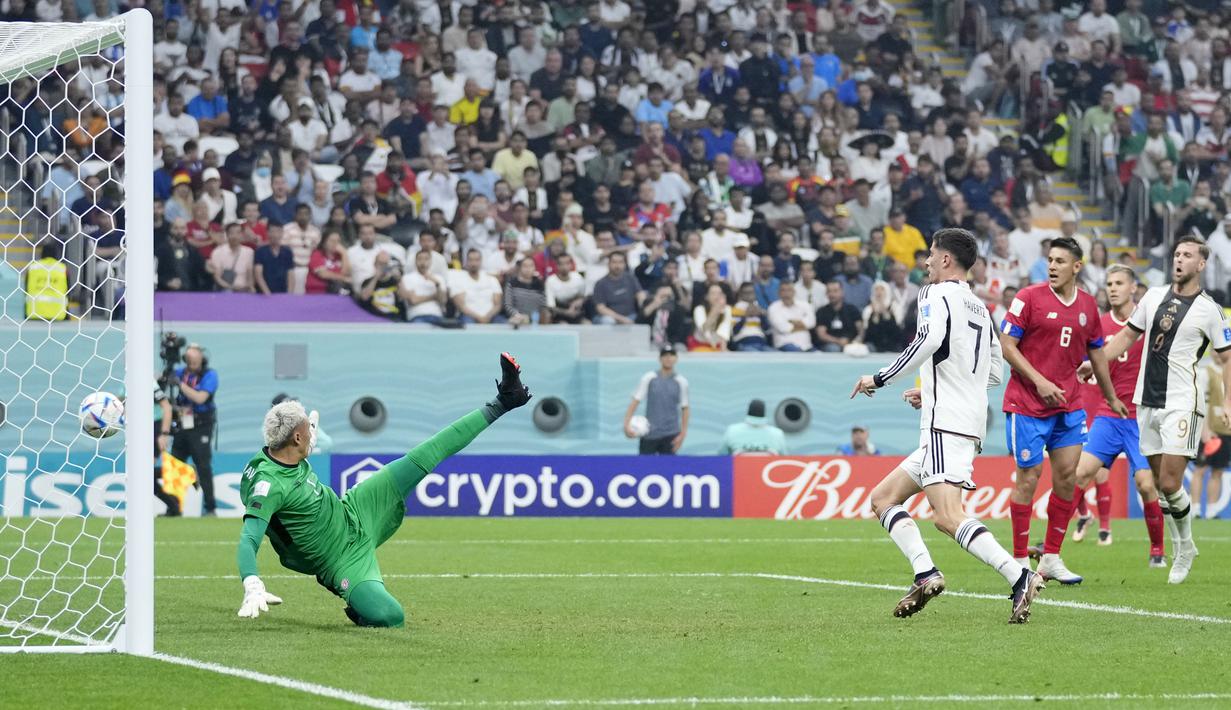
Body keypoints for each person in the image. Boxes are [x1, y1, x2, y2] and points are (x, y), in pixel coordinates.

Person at [236, 354, 531, 625]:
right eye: (308, 431)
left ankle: (503, 401)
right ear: (297, 438)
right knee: (391, 617)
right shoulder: (268, 485)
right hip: (340, 559)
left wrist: (306, 428)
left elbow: (293, 453)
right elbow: (249, 538)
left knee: (426, 453)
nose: (314, 435)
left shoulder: (282, 451)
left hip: (354, 509)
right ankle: (360, 605)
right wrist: (252, 583)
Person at [853, 228, 1044, 624]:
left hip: (945, 423)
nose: (925, 263)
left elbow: (927, 339)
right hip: (966, 419)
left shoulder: (934, 294)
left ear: (944, 260)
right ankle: (925, 572)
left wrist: (881, 377)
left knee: (946, 515)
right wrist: (938, 388)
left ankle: (1019, 575)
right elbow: (993, 372)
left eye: (930, 255)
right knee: (883, 499)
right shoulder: (979, 307)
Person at [1103, 236, 1231, 584]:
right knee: (1161, 486)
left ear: (1201, 265)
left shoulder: (1210, 310)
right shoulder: (1153, 295)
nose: (1179, 259)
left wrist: (1229, 401)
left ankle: (1184, 547)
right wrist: (1097, 361)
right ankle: (1181, 545)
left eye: (1187, 255)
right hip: (1147, 401)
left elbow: (1226, 357)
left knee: (1171, 481)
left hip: (1182, 402)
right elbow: (1127, 336)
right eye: (1176, 253)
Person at [999, 236, 1126, 585]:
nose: (1052, 266)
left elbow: (1098, 352)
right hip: (1026, 403)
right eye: (1049, 259)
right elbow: (1007, 345)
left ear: (1077, 266)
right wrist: (1039, 381)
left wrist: (1110, 395)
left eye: (1059, 261)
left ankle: (1052, 557)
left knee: (1068, 478)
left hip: (1068, 405)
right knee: (1028, 477)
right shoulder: (1028, 298)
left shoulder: (1087, 306)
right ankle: (1020, 561)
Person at [1068, 265, 1166, 565]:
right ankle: (1051, 546)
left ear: (1133, 287)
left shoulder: (1149, 324)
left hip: (1141, 417)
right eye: (1109, 283)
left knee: (1146, 484)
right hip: (1108, 415)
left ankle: (1157, 550)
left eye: (1119, 283)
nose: (1112, 288)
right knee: (1078, 474)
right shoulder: (1098, 325)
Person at [172, 344, 219, 516]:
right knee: (175, 464)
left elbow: (200, 398)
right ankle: (173, 507)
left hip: (201, 425)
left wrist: (180, 385)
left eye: (195, 360)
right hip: (181, 423)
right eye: (189, 360)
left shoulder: (210, 375)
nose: (192, 363)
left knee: (204, 466)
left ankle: (210, 508)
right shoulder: (179, 373)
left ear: (202, 359)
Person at [623, 346, 689, 455]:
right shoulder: (649, 378)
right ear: (660, 359)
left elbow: (685, 408)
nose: (668, 358)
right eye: (665, 356)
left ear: (676, 359)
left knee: (668, 470)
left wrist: (683, 434)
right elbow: (635, 401)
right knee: (644, 469)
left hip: (670, 434)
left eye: (671, 355)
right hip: (650, 433)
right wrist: (626, 425)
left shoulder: (681, 382)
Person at [720, 399, 787, 455]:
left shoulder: (732, 431)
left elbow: (721, 458)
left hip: (739, 470)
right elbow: (785, 461)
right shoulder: (777, 434)